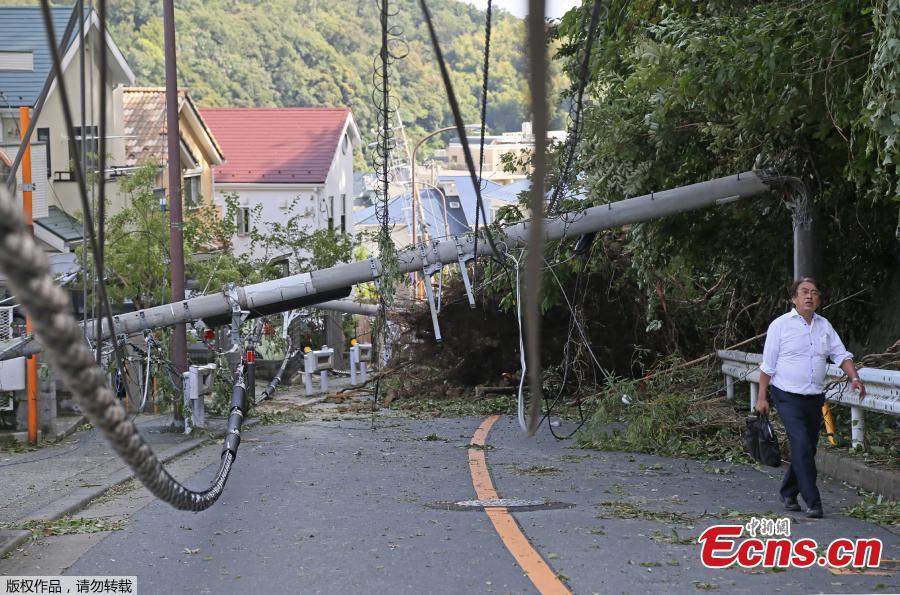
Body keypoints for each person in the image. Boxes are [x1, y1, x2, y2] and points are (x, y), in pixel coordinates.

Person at [755, 278, 865, 519]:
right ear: (794, 298)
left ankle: (788, 492)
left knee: (808, 448)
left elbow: (841, 355)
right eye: (804, 292)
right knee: (802, 444)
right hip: (786, 395)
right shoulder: (780, 326)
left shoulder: (824, 326)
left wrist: (855, 378)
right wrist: (762, 397)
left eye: (814, 293)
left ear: (818, 300)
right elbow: (767, 366)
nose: (809, 296)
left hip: (815, 397)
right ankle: (813, 501)